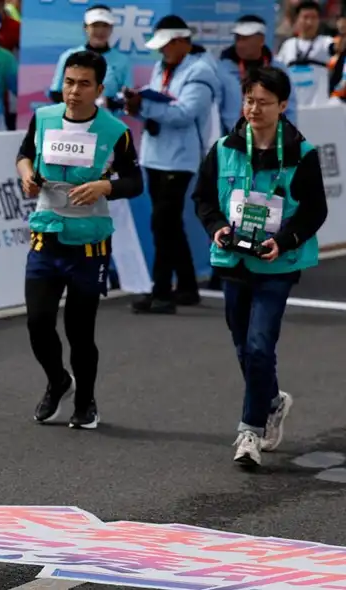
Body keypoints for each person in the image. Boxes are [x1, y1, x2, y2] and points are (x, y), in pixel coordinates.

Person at [191, 66, 327, 468]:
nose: (254, 109)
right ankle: (271, 400)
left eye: (264, 103)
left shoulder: (302, 154)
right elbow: (203, 198)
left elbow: (315, 211)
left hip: (277, 262)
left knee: (259, 345)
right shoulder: (224, 148)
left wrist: (283, 240)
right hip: (234, 260)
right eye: (249, 100)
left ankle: (248, 432)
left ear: (283, 106)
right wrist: (216, 228)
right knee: (243, 345)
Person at [16, 50, 143, 429]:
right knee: (38, 323)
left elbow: (134, 182)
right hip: (46, 236)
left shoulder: (114, 131)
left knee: (79, 330)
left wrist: (105, 185)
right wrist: (26, 174)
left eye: (84, 84)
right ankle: (58, 381)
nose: (74, 92)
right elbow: (24, 155)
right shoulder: (43, 118)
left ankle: (86, 400)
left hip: (89, 245)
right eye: (69, 82)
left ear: (100, 89)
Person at [124, 15, 218, 314]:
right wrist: (133, 105)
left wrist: (145, 106)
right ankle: (187, 286)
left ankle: (161, 292)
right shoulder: (161, 66)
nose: (161, 51)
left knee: (163, 223)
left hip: (180, 157)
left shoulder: (201, 71)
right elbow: (158, 109)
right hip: (154, 155)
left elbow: (185, 113)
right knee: (168, 223)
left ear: (180, 42)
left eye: (165, 45)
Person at [218, 15, 297, 134]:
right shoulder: (222, 70)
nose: (240, 44)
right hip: (233, 142)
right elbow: (216, 113)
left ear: (261, 40)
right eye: (237, 38)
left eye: (245, 39)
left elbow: (289, 108)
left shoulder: (278, 69)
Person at [49, 4, 131, 111]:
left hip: (107, 122)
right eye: (95, 25)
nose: (100, 31)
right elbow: (55, 93)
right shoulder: (69, 56)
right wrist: (84, 102)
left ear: (111, 28)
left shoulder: (122, 60)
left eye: (105, 25)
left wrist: (107, 102)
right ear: (85, 27)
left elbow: (127, 97)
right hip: (72, 121)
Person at [276, 0, 335, 107]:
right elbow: (278, 73)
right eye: (305, 17)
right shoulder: (288, 45)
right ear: (297, 19)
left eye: (314, 18)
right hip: (292, 107)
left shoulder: (325, 42)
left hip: (319, 107)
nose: (309, 22)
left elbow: (336, 47)